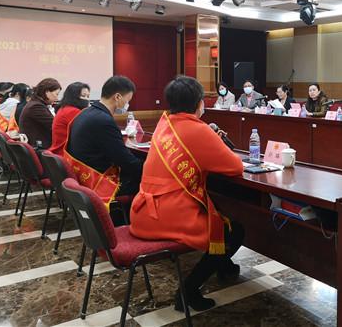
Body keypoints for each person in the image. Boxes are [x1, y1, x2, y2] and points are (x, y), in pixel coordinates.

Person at [130, 76, 244, 312]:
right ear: (199, 103)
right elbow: (236, 167)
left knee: (220, 217)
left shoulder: (165, 122)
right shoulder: (197, 129)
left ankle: (224, 267)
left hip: (142, 210)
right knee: (232, 231)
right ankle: (188, 291)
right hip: (167, 215)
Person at [65, 76, 142, 205]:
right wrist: (149, 169)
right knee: (144, 179)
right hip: (98, 180)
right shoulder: (103, 121)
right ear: (117, 97)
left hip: (82, 175)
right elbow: (124, 160)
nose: (127, 105)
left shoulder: (86, 112)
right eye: (127, 100)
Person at [49, 82, 90, 156]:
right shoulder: (72, 111)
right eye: (83, 96)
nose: (87, 99)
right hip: (65, 154)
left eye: (88, 96)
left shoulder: (64, 109)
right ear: (73, 96)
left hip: (59, 152)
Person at [19, 78, 62, 148]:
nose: (57, 98)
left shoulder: (35, 103)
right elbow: (55, 126)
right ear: (47, 92)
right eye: (56, 94)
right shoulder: (36, 107)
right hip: (39, 148)